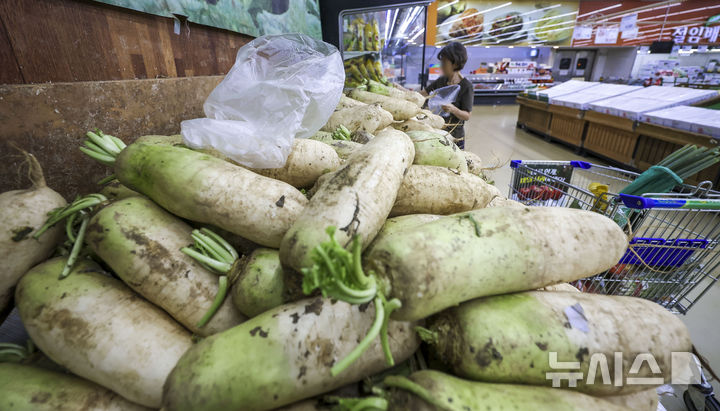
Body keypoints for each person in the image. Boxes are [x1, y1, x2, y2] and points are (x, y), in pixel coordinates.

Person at [420, 42, 473, 149]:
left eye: (444, 62)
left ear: (455, 64)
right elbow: (422, 94)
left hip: (455, 137)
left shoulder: (466, 86)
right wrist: (402, 92)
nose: (441, 66)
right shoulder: (441, 81)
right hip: (437, 133)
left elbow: (467, 115)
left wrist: (453, 109)